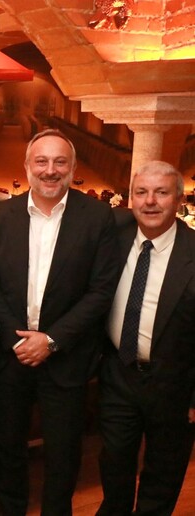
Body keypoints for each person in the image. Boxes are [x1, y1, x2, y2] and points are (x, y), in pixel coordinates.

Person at [0, 128, 119, 515]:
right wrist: (17, 339)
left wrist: (52, 340)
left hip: (67, 359)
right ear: (27, 167)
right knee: (7, 450)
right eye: (41, 161)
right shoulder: (3, 215)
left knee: (63, 456)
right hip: (12, 358)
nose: (50, 170)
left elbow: (101, 291)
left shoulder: (97, 217)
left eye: (60, 162)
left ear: (72, 168)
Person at [97, 160, 195, 515]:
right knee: (114, 463)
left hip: (175, 384)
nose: (150, 201)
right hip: (118, 375)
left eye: (161, 192)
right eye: (141, 192)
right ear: (130, 199)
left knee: (163, 473)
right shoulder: (113, 237)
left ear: (179, 200)